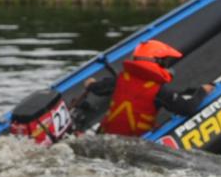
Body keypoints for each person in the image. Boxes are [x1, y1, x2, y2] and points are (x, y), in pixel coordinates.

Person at [84, 39, 213, 136]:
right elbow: (187, 108)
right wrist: (203, 91)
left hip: (103, 137)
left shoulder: (121, 79)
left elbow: (97, 88)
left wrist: (90, 83)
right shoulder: (158, 91)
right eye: (165, 63)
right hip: (134, 144)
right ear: (157, 62)